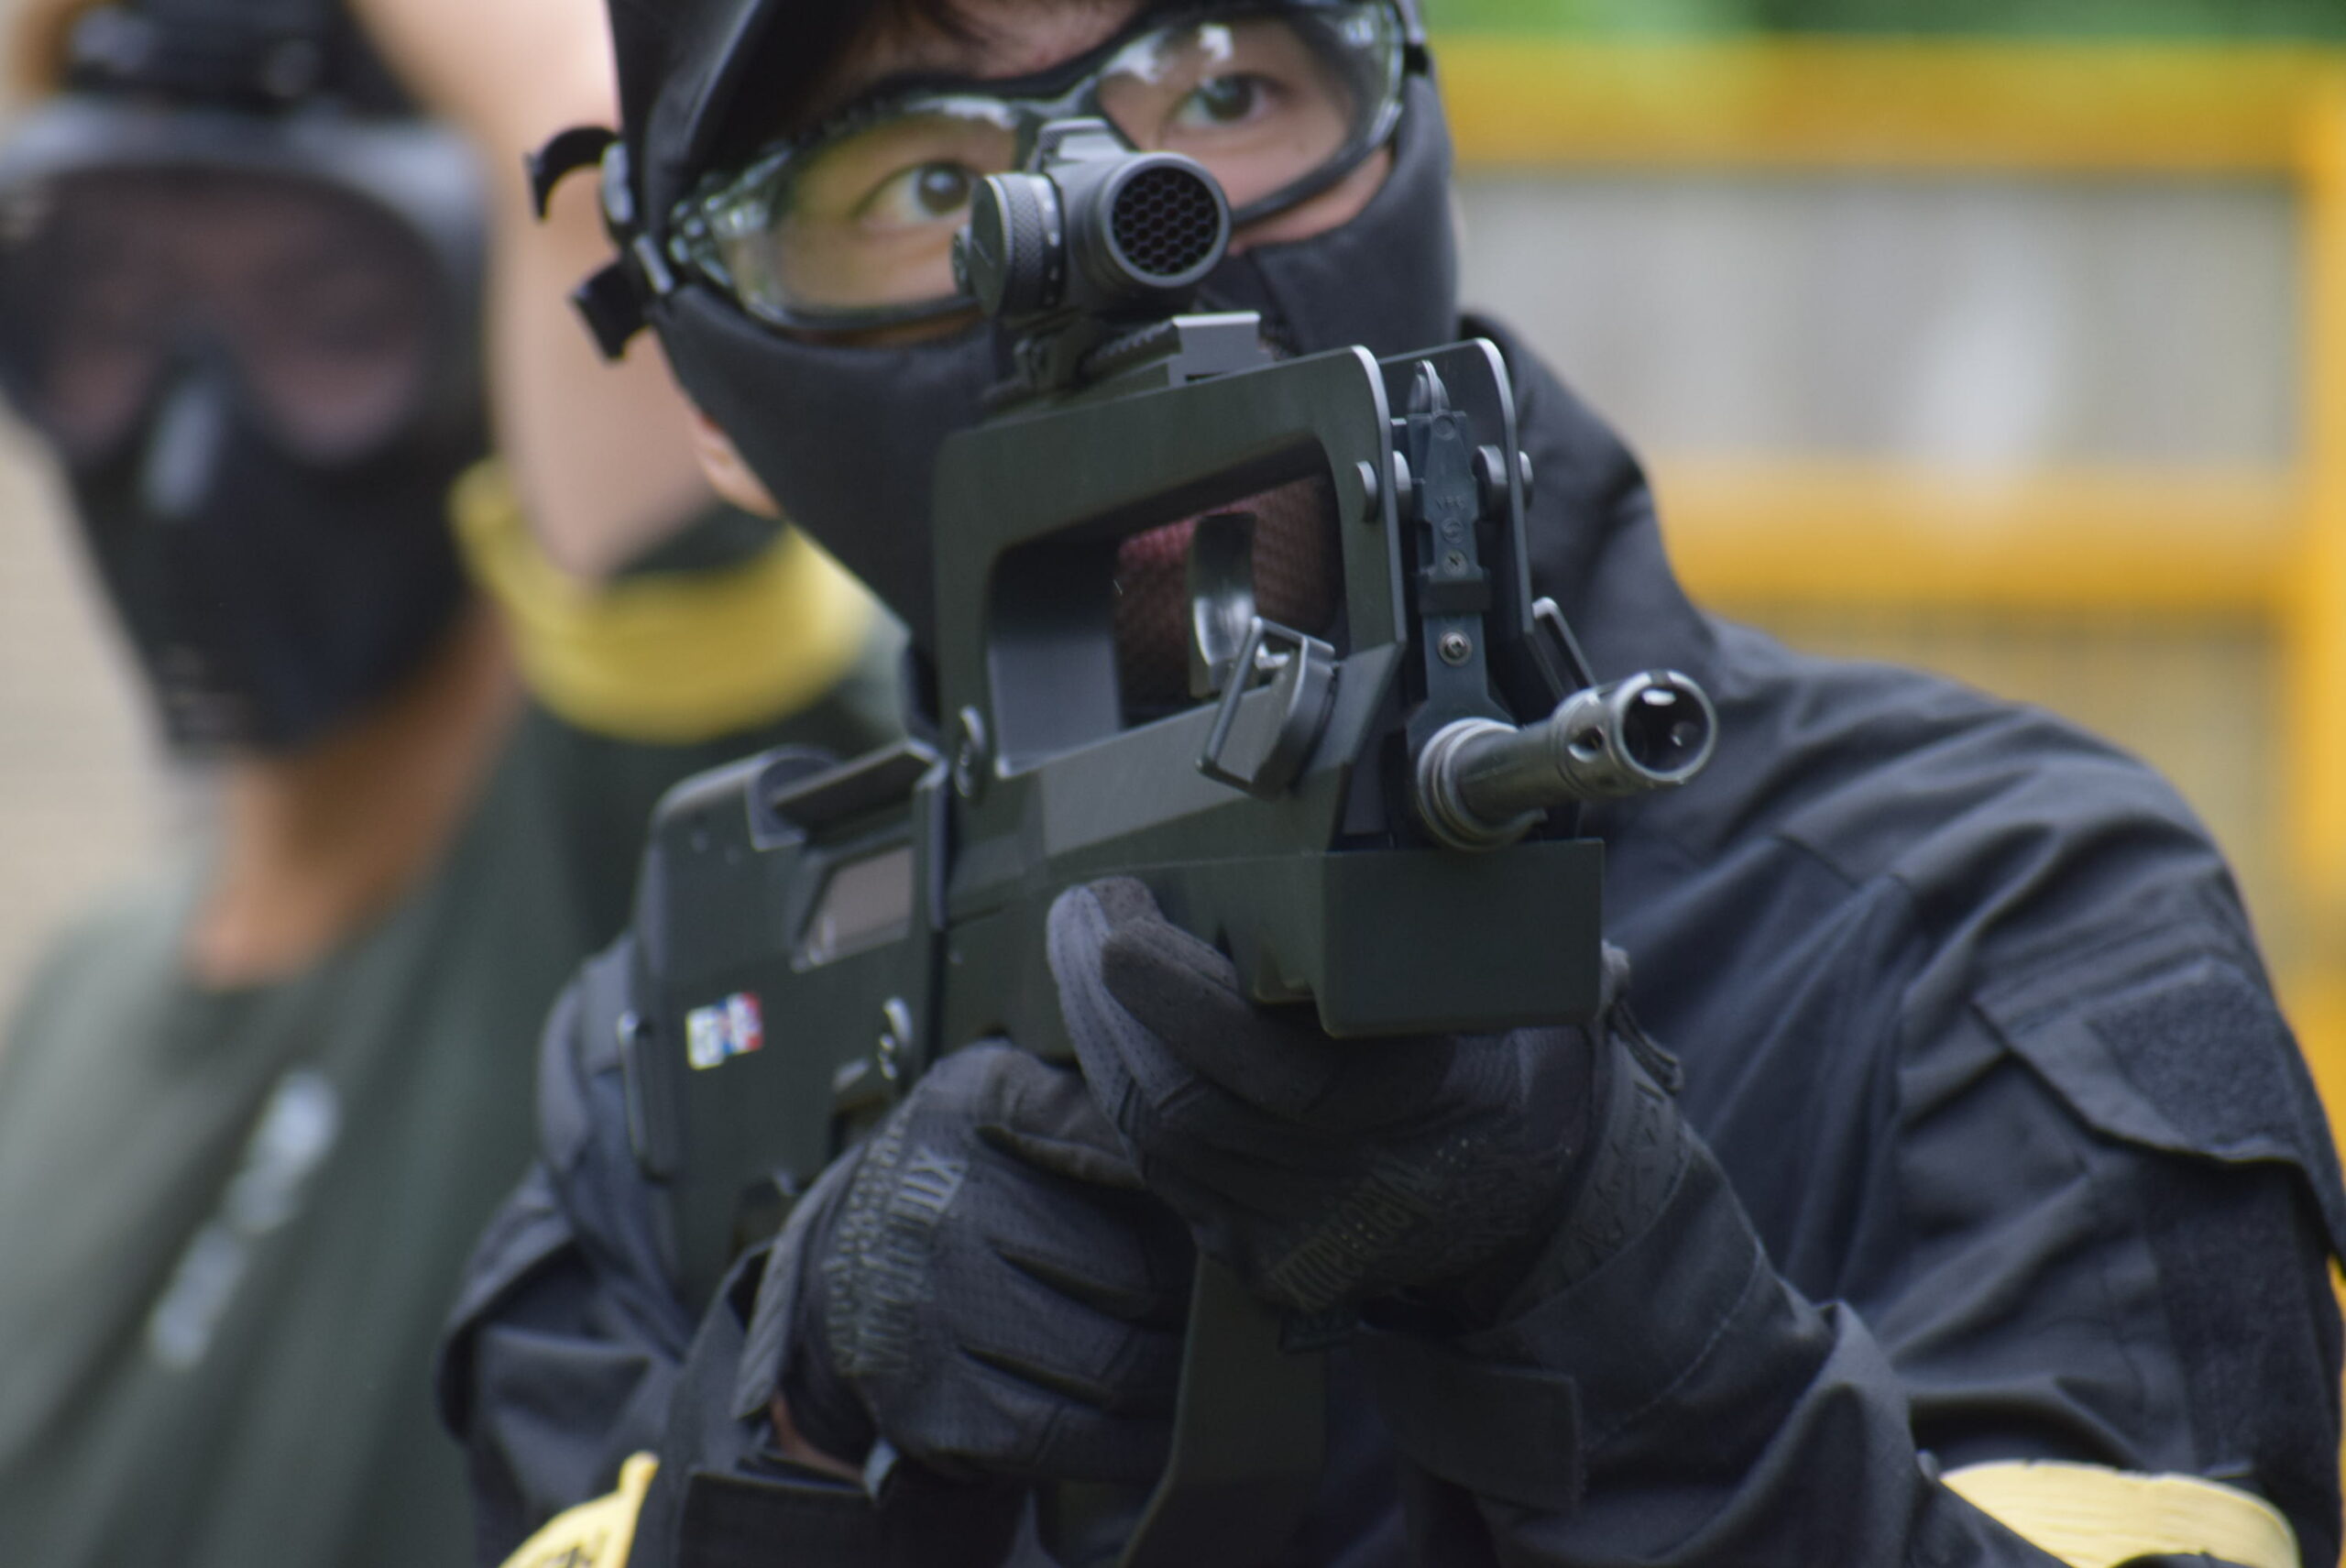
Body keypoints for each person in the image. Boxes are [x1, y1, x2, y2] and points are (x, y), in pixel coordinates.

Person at [443, 0, 2346, 1563]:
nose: (1129, 220)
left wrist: (1610, 1298)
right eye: (925, 181)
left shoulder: (1992, 924)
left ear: (1407, 126)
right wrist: (798, 1428)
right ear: (708, 401)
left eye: (1221, 92)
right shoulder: (678, 1058)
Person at [0, 0, 899, 1561]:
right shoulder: (84, 999)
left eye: (330, 315)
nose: (196, 435)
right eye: (116, 304)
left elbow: (601, 174)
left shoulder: (633, 851)